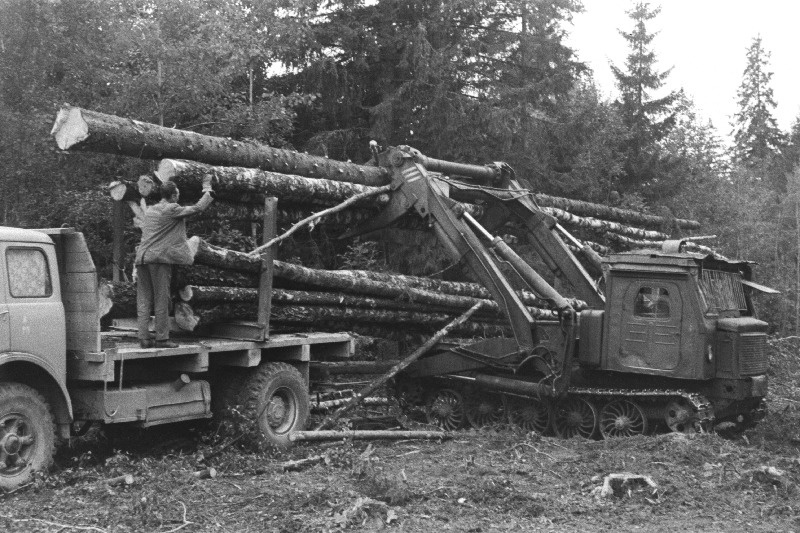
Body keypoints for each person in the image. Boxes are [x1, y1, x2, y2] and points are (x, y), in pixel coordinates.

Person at [135, 176, 214, 348]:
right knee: (161, 299)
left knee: (144, 299)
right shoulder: (171, 208)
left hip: (141, 258)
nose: (178, 196)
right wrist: (207, 188)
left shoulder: (151, 210)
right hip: (158, 259)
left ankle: (144, 338)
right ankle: (162, 339)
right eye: (177, 194)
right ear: (172, 196)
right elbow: (199, 207)